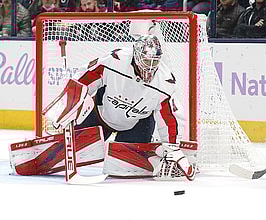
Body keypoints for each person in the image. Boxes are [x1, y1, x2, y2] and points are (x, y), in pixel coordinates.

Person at [50, 33, 196, 180]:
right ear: (137, 55)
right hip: (100, 114)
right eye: (146, 60)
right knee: (71, 145)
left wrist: (171, 146)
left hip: (137, 124)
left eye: (154, 61)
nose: (150, 66)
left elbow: (169, 117)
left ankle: (151, 154)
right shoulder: (115, 60)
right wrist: (68, 105)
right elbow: (84, 80)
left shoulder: (165, 81)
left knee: (118, 169)